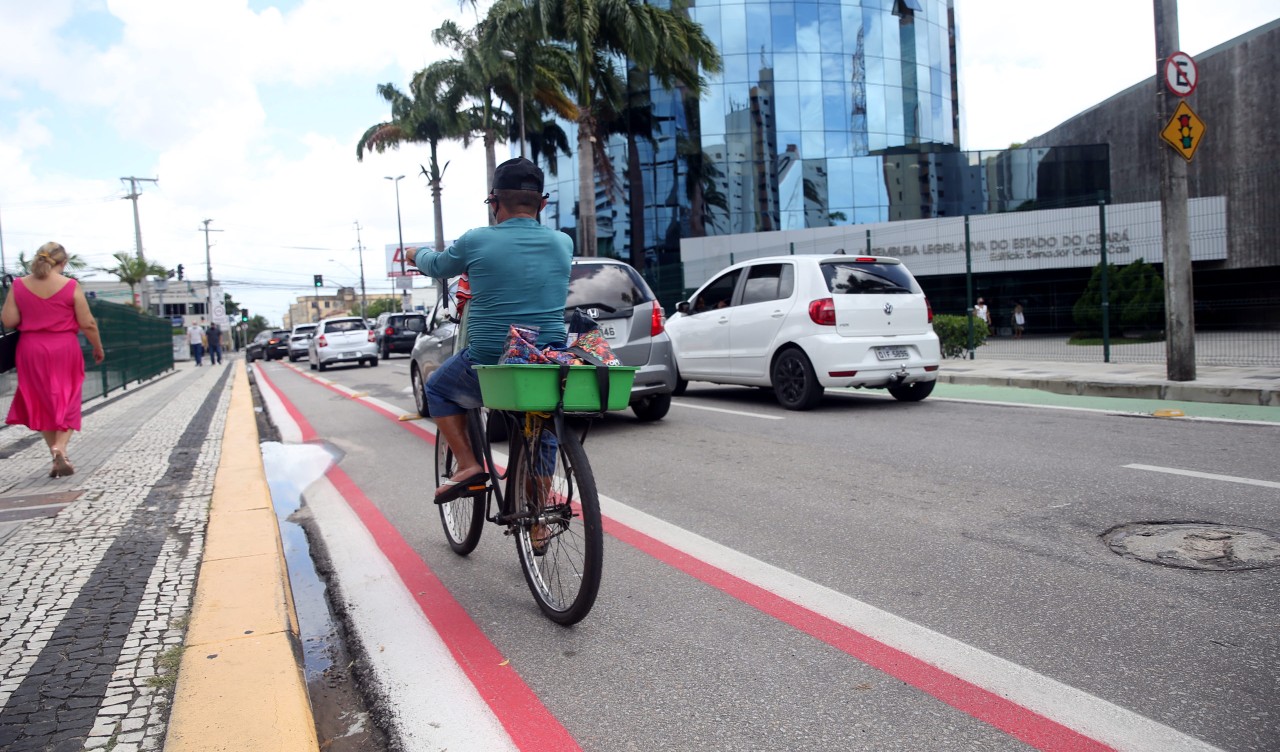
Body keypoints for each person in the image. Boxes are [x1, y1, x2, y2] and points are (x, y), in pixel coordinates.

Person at [407, 157, 572, 504]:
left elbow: (437, 265)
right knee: (541, 416)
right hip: (546, 356)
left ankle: (468, 465)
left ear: (494, 202)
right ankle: (539, 511)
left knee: (437, 387)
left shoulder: (476, 240)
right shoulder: (563, 243)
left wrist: (414, 253)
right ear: (542, 204)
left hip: (490, 359)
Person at [2, 242, 105, 478]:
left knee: (41, 402)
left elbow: (8, 320)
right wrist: (98, 347)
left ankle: (56, 456)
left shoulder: (19, 285)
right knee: (68, 397)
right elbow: (87, 323)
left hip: (31, 349)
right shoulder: (70, 286)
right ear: (63, 262)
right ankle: (61, 447)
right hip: (63, 348)